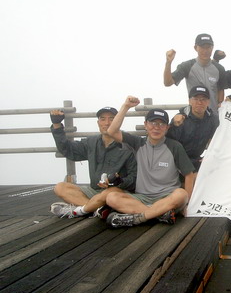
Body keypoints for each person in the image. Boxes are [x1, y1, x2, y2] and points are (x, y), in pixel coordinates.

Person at [105, 97, 196, 228]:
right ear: (145, 124)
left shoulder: (174, 146)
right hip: (143, 198)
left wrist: (187, 204)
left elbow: (189, 174)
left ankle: (140, 218)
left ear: (167, 127)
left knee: (181, 195)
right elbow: (112, 131)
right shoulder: (137, 143)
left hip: (168, 197)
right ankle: (158, 214)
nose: (156, 128)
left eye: (161, 124)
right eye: (153, 123)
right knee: (111, 197)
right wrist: (125, 106)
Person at [49, 107, 137, 218]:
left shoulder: (129, 145)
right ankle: (98, 209)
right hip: (94, 191)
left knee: (110, 193)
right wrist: (57, 125)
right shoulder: (91, 142)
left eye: (112, 119)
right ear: (98, 122)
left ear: (118, 122)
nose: (107, 123)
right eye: (103, 119)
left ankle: (84, 209)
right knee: (60, 187)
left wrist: (118, 181)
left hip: (116, 193)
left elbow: (134, 179)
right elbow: (68, 150)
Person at [163, 33, 226, 113]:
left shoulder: (219, 69)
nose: (205, 50)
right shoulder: (187, 66)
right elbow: (167, 83)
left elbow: (221, 89)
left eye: (208, 47)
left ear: (212, 48)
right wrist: (168, 63)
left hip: (213, 116)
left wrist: (220, 104)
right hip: (193, 116)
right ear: (195, 48)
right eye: (202, 47)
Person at [166, 86, 219, 172]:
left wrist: (209, 157)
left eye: (203, 99)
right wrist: (174, 125)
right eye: (196, 99)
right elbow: (168, 143)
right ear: (190, 101)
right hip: (176, 160)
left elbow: (213, 142)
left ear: (208, 102)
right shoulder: (180, 118)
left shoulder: (213, 119)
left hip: (197, 160)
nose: (199, 102)